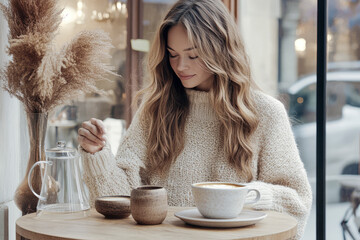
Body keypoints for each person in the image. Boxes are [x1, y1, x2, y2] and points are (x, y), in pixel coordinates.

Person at [77, 0, 312, 239]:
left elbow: (297, 203)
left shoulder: (265, 113)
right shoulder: (155, 109)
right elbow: (122, 200)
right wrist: (97, 155)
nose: (181, 66)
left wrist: (244, 197)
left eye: (193, 55)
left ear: (220, 50)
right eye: (173, 54)